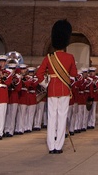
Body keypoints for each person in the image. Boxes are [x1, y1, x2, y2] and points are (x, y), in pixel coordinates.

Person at [35, 19, 78, 154]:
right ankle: (59, 146)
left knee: (51, 118)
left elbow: (39, 74)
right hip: (64, 90)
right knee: (62, 117)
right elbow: (74, 74)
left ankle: (51, 146)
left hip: (52, 89)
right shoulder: (70, 57)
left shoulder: (49, 57)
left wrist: (46, 83)